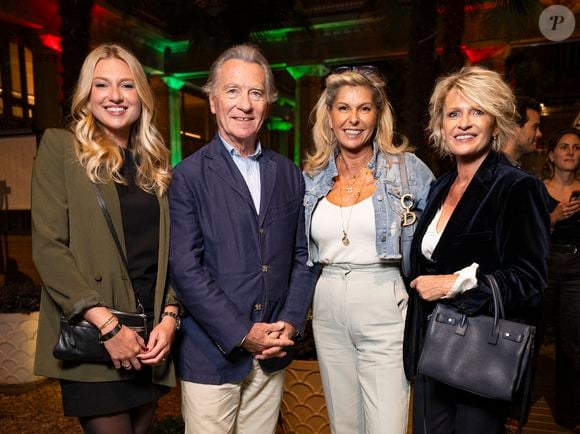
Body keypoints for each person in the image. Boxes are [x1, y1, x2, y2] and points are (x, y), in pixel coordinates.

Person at [31, 44, 179, 434]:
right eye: (102, 84)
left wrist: (170, 317)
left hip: (147, 339)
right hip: (97, 336)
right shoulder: (61, 149)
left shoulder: (155, 165)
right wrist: (109, 328)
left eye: (127, 85)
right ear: (87, 94)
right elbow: (49, 248)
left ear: (141, 96)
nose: (115, 96)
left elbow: (170, 253)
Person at [168, 44, 315, 434]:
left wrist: (289, 322)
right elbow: (185, 269)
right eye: (232, 91)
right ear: (214, 101)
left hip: (271, 350)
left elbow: (302, 256)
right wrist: (241, 333)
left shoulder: (288, 173)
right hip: (210, 355)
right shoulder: (188, 176)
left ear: (267, 101)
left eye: (255, 92)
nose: (244, 104)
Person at [403, 66, 550, 434]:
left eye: (477, 111)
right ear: (440, 125)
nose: (464, 123)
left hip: (479, 358)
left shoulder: (518, 187)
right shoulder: (440, 186)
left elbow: (530, 280)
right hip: (430, 354)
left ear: (495, 122)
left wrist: (455, 284)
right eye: (453, 113)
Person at [303, 66, 434, 433]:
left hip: (385, 300)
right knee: (344, 424)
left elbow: (443, 234)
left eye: (364, 108)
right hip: (327, 304)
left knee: (386, 425)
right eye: (343, 108)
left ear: (378, 115)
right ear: (328, 117)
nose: (353, 119)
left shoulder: (407, 170)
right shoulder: (311, 177)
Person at [541, 127, 580, 431]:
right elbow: (525, 236)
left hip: (577, 270)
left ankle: (569, 414)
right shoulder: (537, 189)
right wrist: (554, 218)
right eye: (564, 146)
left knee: (571, 344)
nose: (570, 152)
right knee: (529, 337)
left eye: (576, 148)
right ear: (551, 154)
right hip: (545, 265)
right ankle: (514, 407)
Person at [501, 96, 542, 168]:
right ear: (514, 128)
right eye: (535, 127)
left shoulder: (511, 167)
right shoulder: (494, 171)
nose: (539, 134)